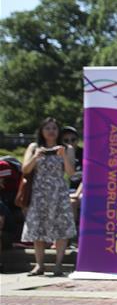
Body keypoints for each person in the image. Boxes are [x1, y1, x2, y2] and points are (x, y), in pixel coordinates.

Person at [21, 117, 78, 276]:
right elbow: (25, 169)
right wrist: (36, 156)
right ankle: (39, 265)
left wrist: (64, 155)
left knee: (61, 229)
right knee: (37, 229)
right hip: (39, 193)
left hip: (59, 192)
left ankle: (58, 265)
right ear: (41, 131)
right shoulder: (34, 147)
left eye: (54, 128)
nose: (51, 131)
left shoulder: (67, 148)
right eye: (47, 128)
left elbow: (71, 173)